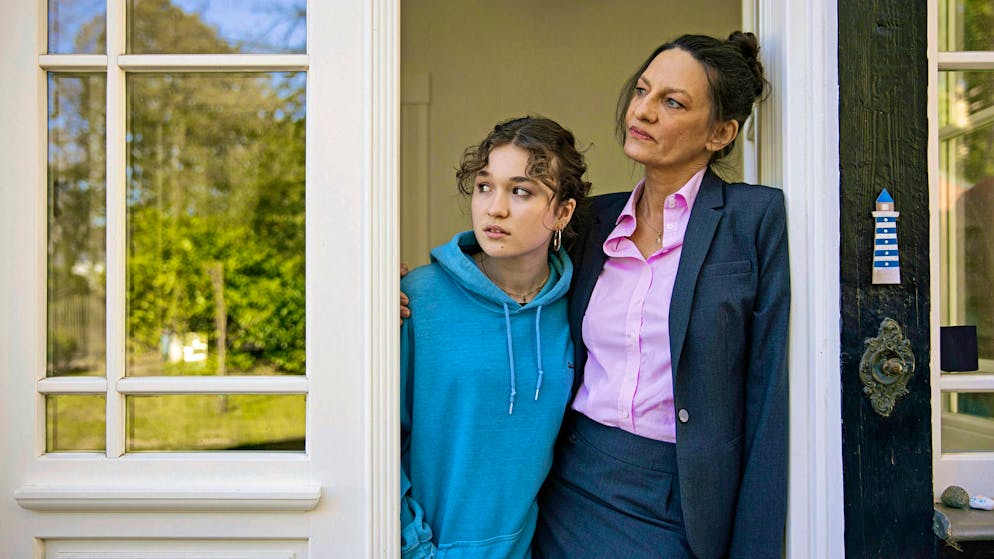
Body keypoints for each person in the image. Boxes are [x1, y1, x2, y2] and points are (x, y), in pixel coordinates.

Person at [531, 32, 789, 559]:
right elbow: (512, 277)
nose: (642, 111)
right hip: (570, 482)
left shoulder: (753, 220)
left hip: (681, 499)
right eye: (643, 91)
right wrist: (412, 290)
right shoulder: (590, 220)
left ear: (720, 132)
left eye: (671, 102)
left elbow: (767, 393)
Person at [400, 116, 592, 559]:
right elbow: (376, 440)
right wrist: (415, 547)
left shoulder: (580, 308)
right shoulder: (416, 300)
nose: (494, 208)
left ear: (562, 211)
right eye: (485, 186)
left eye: (520, 191)